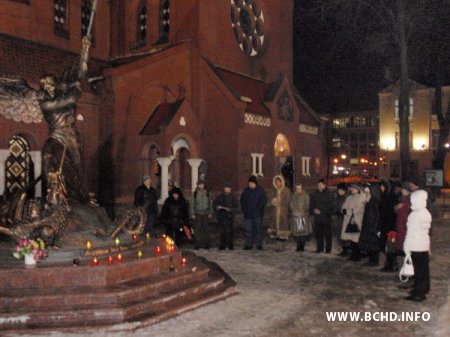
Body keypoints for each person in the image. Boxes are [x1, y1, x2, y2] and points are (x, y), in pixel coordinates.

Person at [403, 190, 432, 302]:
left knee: (418, 270)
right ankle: (423, 289)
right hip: (423, 244)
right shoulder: (426, 213)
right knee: (424, 269)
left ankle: (419, 293)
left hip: (415, 245)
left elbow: (410, 232)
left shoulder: (414, 215)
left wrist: (406, 246)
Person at [240, 175, 267, 250]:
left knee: (258, 230)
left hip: (257, 215)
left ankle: (259, 244)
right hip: (248, 215)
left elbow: (263, 201)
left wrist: (259, 208)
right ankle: (249, 244)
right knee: (248, 230)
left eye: (252, 183)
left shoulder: (260, 191)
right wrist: (244, 209)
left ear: (255, 183)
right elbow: (242, 201)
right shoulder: (246, 191)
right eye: (249, 183)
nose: (250, 185)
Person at [341, 184, 366, 261]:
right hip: (348, 221)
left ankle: (357, 256)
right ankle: (353, 255)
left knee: (356, 239)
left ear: (357, 189)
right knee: (352, 240)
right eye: (351, 188)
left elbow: (358, 209)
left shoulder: (361, 197)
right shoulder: (349, 197)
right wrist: (345, 211)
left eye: (353, 188)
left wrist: (348, 211)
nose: (351, 189)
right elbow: (343, 207)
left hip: (356, 221)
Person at [309, 179, 334, 253]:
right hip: (317, 218)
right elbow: (311, 203)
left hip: (326, 217)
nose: (319, 186)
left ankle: (328, 249)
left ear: (324, 185)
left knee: (327, 234)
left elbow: (330, 205)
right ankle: (319, 248)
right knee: (318, 234)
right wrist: (314, 210)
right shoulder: (315, 193)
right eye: (318, 185)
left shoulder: (329, 193)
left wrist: (322, 211)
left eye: (320, 185)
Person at [359, 185, 381, 266]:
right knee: (371, 244)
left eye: (367, 193)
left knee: (374, 244)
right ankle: (372, 260)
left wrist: (373, 227)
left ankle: (374, 261)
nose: (366, 194)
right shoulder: (370, 202)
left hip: (373, 227)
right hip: (369, 226)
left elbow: (375, 216)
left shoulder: (374, 203)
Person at [268, 175, 291, 251]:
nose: (278, 183)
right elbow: (270, 199)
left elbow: (287, 200)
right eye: (276, 182)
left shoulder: (286, 190)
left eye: (279, 182)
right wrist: (273, 201)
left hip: (282, 212)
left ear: (282, 182)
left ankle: (282, 245)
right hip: (275, 212)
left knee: (283, 228)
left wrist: (280, 201)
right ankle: (278, 245)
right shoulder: (273, 190)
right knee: (275, 229)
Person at [213, 183, 239, 250]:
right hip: (222, 216)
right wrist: (217, 207)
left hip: (229, 217)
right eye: (226, 188)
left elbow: (236, 207)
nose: (227, 190)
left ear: (230, 189)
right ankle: (222, 245)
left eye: (228, 189)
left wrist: (230, 209)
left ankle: (230, 245)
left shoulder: (233, 197)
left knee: (229, 232)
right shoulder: (220, 196)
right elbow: (215, 204)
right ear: (224, 189)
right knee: (222, 232)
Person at [190, 180, 213, 249]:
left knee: (205, 229)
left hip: (206, 213)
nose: (201, 186)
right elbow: (192, 204)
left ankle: (205, 244)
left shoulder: (208, 193)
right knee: (197, 229)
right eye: (199, 185)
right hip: (197, 213)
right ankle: (197, 244)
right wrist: (192, 213)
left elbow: (211, 203)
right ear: (197, 185)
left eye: (202, 184)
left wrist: (210, 212)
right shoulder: (195, 193)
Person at [289, 182, 312, 251]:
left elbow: (307, 205)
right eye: (297, 188)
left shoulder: (306, 196)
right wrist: (294, 211)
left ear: (302, 188)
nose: (298, 190)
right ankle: (298, 246)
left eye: (299, 188)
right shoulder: (294, 196)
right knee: (297, 233)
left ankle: (302, 246)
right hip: (296, 216)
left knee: (302, 232)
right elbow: (291, 204)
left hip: (303, 216)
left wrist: (302, 211)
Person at [334, 183, 350, 257]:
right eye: (338, 190)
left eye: (341, 190)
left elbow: (349, 208)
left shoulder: (347, 197)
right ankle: (344, 249)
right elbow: (335, 205)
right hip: (339, 219)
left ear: (344, 190)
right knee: (340, 234)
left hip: (345, 219)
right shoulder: (337, 197)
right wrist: (336, 211)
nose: (339, 191)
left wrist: (342, 212)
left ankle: (347, 249)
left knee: (345, 235)